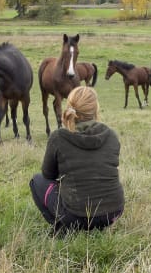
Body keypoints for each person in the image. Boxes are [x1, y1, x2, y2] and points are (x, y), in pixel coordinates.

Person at [29, 86, 124, 232]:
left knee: (37, 180)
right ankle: (96, 227)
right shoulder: (111, 135)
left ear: (70, 107)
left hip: (75, 217)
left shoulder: (58, 137)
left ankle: (62, 227)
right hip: (113, 213)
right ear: (96, 108)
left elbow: (48, 175)